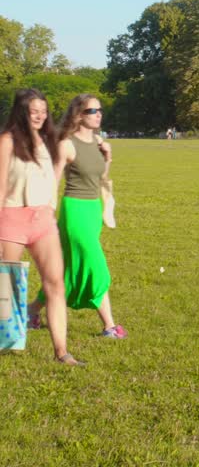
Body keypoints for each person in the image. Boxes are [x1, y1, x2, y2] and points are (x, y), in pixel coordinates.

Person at [29, 94, 125, 340]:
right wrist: (48, 211)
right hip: (74, 211)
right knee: (97, 268)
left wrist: (108, 157)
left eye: (100, 110)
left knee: (66, 271)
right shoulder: (67, 144)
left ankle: (31, 312)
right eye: (93, 111)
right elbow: (54, 179)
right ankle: (110, 326)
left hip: (93, 210)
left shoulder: (99, 142)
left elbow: (99, 177)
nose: (99, 114)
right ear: (79, 115)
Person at [0, 89, 82, 365]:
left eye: (43, 110)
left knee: (55, 284)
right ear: (21, 111)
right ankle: (4, 340)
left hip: (43, 221)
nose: (39, 115)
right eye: (33, 110)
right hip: (12, 217)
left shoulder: (48, 141)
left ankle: (62, 352)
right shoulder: (7, 141)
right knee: (5, 285)